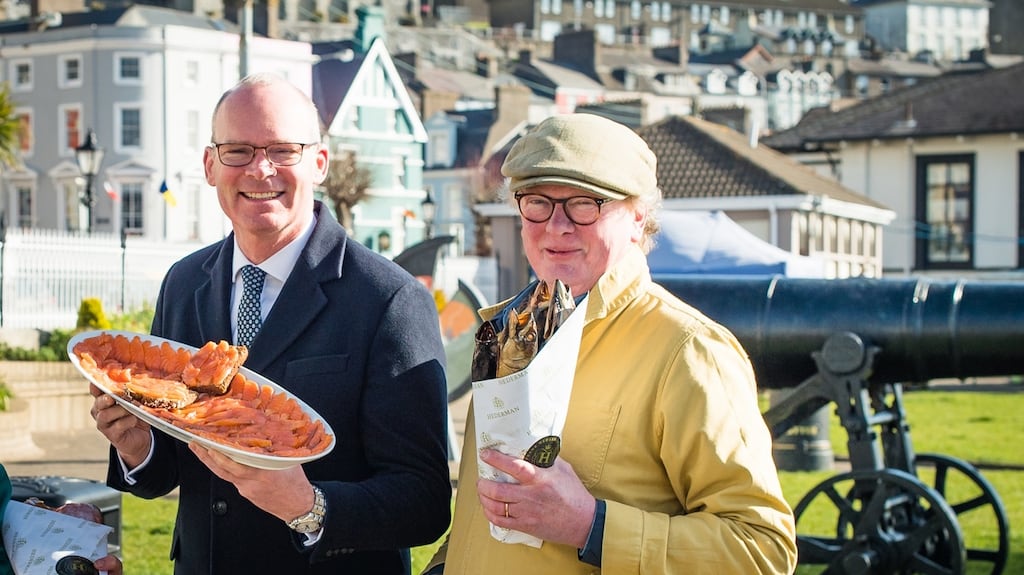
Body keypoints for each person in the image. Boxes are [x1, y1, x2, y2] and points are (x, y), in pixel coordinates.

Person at [89, 73, 452, 574]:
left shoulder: (389, 299)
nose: (261, 170)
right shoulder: (184, 281)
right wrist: (138, 448)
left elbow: (425, 500)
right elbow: (169, 469)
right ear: (210, 165)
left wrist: (308, 506)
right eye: (238, 150)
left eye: (283, 150)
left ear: (319, 163)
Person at [424, 114, 797, 574]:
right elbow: (486, 526)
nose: (556, 226)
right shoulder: (505, 333)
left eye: (585, 204)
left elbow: (762, 551)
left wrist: (590, 526)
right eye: (537, 202)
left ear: (638, 218)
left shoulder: (689, 351)